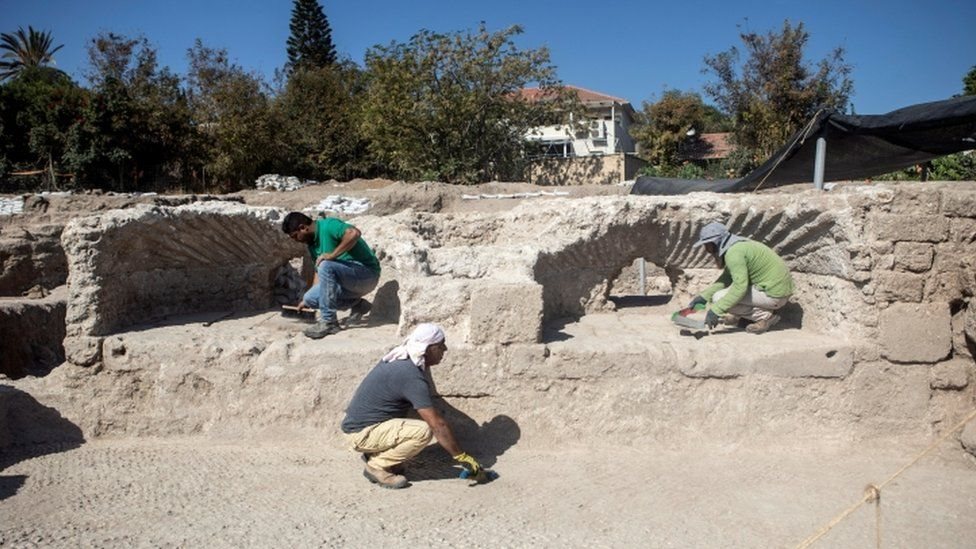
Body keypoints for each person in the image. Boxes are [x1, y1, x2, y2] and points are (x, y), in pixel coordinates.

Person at [340, 323, 484, 489]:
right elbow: (438, 425)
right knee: (424, 431)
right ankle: (376, 466)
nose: (445, 349)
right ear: (428, 348)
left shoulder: (404, 358)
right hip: (361, 434)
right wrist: (461, 457)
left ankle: (376, 453)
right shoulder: (410, 375)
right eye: (440, 345)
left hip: (364, 427)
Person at [281, 212, 381, 339]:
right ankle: (358, 305)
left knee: (326, 264)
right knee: (310, 298)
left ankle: (329, 322)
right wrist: (306, 301)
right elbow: (319, 271)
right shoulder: (312, 244)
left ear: (303, 227)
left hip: (366, 275)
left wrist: (332, 255)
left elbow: (354, 233)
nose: (296, 240)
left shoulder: (328, 225)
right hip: (347, 282)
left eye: (295, 236)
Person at [687, 221, 794, 334]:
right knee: (721, 297)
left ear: (716, 242)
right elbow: (726, 279)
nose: (707, 250)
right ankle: (747, 317)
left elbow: (740, 287)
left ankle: (766, 317)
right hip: (775, 290)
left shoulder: (734, 254)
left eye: (707, 246)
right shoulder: (736, 246)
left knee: (718, 298)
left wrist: (716, 310)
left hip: (775, 294)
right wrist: (704, 297)